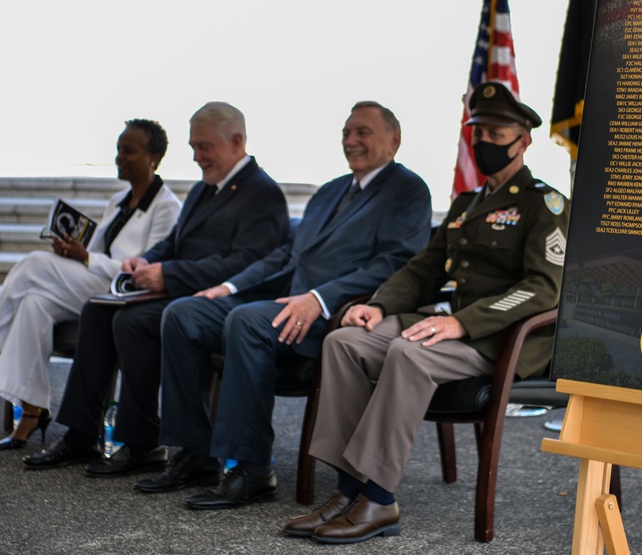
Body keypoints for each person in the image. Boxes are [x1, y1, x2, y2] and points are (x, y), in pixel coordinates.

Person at [282, 82, 570, 544]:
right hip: (445, 326)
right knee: (344, 342)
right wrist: (376, 306)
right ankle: (347, 488)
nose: (484, 144)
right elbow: (422, 271)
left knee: (407, 352)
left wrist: (464, 322)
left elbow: (543, 288)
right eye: (478, 134)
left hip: (498, 337)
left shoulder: (544, 204)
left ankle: (378, 499)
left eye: (497, 134)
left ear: (524, 140)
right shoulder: (466, 205)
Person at [132, 101, 432, 505]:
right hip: (289, 302)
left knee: (247, 321)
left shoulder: (407, 190)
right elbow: (288, 257)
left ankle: (252, 470)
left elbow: (395, 264)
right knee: (184, 313)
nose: (351, 140)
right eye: (346, 132)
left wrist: (320, 299)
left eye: (362, 132)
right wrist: (230, 285)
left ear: (394, 140)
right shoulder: (329, 192)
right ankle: (194, 453)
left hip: (336, 314)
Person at [23, 101, 290, 474]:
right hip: (182, 289)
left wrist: (171, 274)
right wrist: (146, 260)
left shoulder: (262, 193)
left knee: (130, 323)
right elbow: (175, 241)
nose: (197, 156)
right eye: (193, 147)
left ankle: (143, 442)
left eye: (204, 147)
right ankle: (81, 434)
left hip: (216, 300)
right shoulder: (204, 189)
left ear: (237, 141)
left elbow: (247, 265)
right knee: (98, 311)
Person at [0, 119, 181, 450]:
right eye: (118, 150)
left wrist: (85, 258)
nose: (119, 157)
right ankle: (33, 411)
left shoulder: (166, 207)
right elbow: (98, 251)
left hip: (122, 294)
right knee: (33, 301)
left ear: (154, 157)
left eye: (128, 151)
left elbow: (142, 269)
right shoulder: (119, 200)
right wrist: (72, 252)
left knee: (34, 265)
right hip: (92, 284)